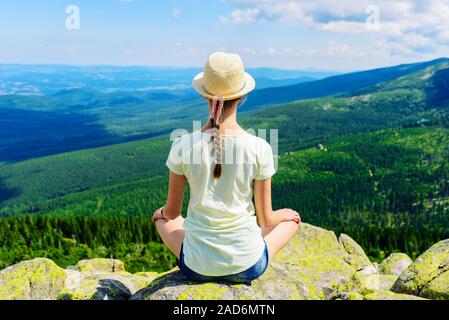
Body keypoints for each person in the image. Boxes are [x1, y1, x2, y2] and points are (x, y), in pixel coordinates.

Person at [152, 52, 301, 283]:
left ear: (205, 96)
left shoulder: (182, 145)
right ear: (242, 97)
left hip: (197, 267)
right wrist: (284, 215)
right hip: (249, 265)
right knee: (292, 221)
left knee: (162, 220)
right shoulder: (259, 147)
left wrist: (160, 214)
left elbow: (172, 213)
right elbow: (266, 220)